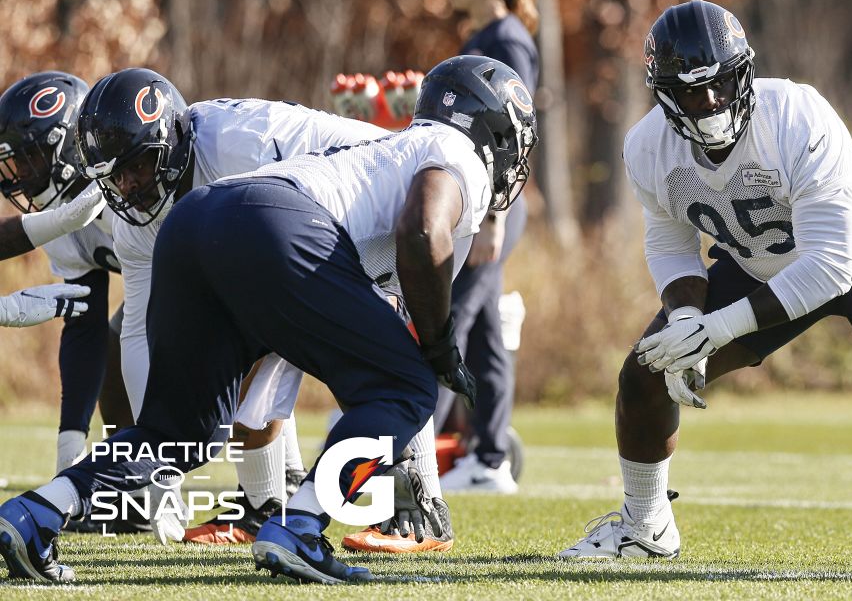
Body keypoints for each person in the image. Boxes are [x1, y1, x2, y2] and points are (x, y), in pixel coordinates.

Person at [0, 55, 537, 584]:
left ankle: (35, 514)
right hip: (278, 221)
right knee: (406, 386)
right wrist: (441, 348)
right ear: (496, 128)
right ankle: (299, 525)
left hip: (193, 222)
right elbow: (422, 232)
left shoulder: (391, 143)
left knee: (177, 435)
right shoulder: (457, 149)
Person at [558, 0, 852, 566]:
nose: (710, 101)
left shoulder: (795, 115)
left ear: (745, 72)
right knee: (644, 375)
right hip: (757, 258)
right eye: (691, 91)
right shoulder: (647, 147)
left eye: (720, 83)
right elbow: (670, 245)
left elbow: (830, 266)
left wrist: (719, 327)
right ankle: (644, 526)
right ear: (663, 93)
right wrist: (687, 318)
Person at [74, 68, 388, 545]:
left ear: (171, 141)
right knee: (234, 354)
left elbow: (284, 258)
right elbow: (140, 333)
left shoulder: (237, 149)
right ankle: (267, 503)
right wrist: (161, 465)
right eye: (115, 175)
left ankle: (415, 505)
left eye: (137, 165)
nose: (129, 185)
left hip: (377, 205)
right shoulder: (134, 222)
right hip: (299, 233)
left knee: (362, 365)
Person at [436, 0, 544, 494]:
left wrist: (494, 217)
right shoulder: (480, 36)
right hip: (477, 208)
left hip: (493, 210)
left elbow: (513, 135)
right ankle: (490, 458)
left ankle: (410, 463)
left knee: (445, 321)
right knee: (483, 335)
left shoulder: (507, 42)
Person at [0, 71, 134, 479]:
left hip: (210, 274)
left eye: (29, 157)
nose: (19, 174)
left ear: (68, 147)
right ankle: (132, 487)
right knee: (114, 351)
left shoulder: (129, 186)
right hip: (162, 283)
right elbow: (84, 323)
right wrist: (69, 447)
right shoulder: (59, 218)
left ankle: (271, 490)